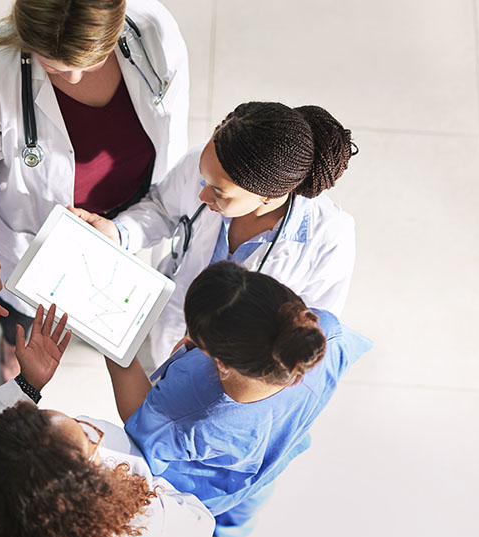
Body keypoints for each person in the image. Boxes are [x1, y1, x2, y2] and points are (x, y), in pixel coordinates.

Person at [0, 0, 190, 381]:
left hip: (132, 208)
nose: (72, 78)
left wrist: (126, 229)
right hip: (36, 235)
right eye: (54, 66)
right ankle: (12, 346)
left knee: (104, 301)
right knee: (26, 315)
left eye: (92, 62)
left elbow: (172, 125)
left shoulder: (151, 29)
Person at [104, 262, 373, 537]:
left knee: (195, 522)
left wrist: (113, 343)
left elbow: (137, 415)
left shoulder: (191, 402)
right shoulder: (325, 332)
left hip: (196, 491)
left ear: (221, 362)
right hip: (268, 464)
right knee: (236, 522)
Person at [73, 101, 357, 363]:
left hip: (235, 367)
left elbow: (314, 330)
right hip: (168, 322)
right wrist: (119, 231)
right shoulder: (203, 163)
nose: (202, 195)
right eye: (203, 179)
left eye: (218, 192)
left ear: (268, 196)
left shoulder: (329, 237)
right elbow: (162, 207)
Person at [0, 305, 215, 537]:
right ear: (85, 493)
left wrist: (27, 384)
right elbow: (199, 520)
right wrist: (140, 485)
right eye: (89, 439)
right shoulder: (139, 529)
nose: (87, 426)